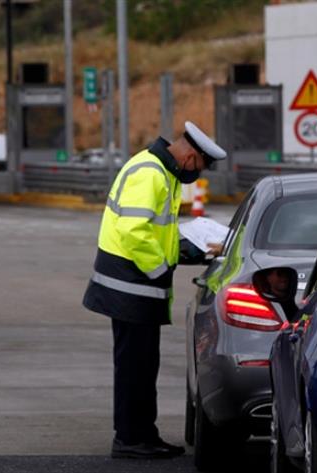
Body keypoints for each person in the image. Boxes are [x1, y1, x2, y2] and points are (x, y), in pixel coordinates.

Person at [83, 121, 226, 459]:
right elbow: (135, 233)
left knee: (142, 367)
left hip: (135, 288)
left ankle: (142, 434)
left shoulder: (159, 171)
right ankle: (131, 439)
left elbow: (156, 234)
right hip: (131, 288)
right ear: (190, 155)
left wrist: (197, 251)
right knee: (136, 368)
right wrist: (161, 269)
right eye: (200, 166)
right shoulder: (151, 174)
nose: (196, 174)